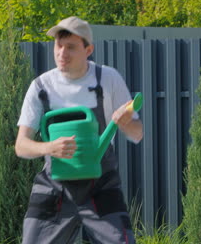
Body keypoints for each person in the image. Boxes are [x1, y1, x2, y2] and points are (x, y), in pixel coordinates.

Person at [15, 16, 143, 244]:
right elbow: (21, 146)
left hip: (101, 186)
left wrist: (125, 123)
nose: (62, 53)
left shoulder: (108, 79)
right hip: (54, 187)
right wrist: (50, 147)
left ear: (89, 50)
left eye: (71, 47)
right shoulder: (41, 87)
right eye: (58, 45)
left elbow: (137, 134)